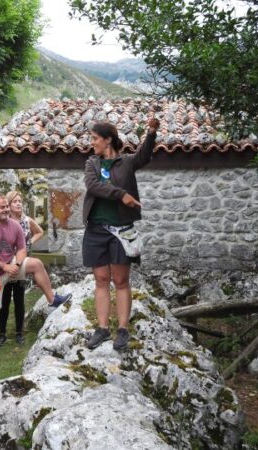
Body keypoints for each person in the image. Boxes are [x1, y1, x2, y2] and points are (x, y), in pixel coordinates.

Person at [84, 118, 160, 351]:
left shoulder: (126, 162)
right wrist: (121, 194)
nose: (92, 143)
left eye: (95, 138)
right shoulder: (92, 163)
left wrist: (151, 133)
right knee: (101, 280)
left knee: (120, 281)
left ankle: (123, 330)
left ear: (108, 139)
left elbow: (144, 156)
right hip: (96, 230)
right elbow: (92, 186)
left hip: (122, 231)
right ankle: (103, 328)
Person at [0, 194, 72, 357]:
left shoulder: (15, 225)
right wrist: (4, 266)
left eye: (7, 206)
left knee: (36, 264)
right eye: (2, 207)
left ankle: (52, 299)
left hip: (11, 264)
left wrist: (17, 265)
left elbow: (21, 249)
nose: (6, 209)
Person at [0, 191, 43, 346]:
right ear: (8, 205)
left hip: (21, 263)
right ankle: (1, 334)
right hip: (6, 263)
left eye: (20, 200)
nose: (18, 203)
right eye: (14, 201)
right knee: (4, 299)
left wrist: (29, 243)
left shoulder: (26, 220)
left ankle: (19, 333)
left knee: (19, 298)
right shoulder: (5, 221)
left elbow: (39, 232)